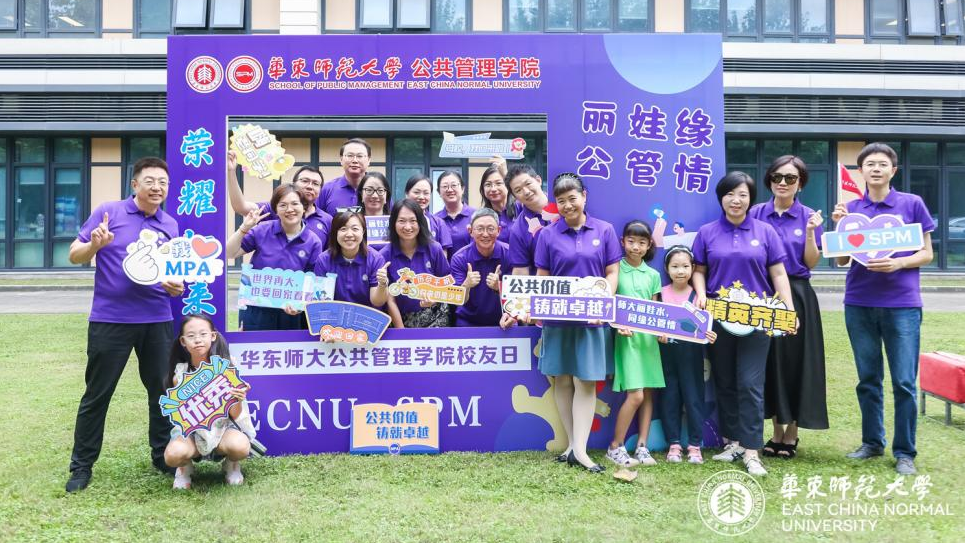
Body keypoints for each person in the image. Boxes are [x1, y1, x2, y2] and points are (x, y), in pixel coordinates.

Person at [65, 157, 185, 492]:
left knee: (161, 392)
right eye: (150, 181)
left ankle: (162, 456)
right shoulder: (109, 212)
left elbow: (171, 274)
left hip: (157, 319)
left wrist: (174, 286)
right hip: (110, 320)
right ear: (135, 184)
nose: (157, 187)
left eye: (163, 182)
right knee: (98, 394)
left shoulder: (170, 224)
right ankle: (81, 466)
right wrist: (95, 245)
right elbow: (74, 254)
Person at [832, 142, 935, 476]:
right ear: (861, 171)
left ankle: (904, 452)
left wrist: (899, 264)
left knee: (904, 381)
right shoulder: (851, 209)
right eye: (869, 164)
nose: (876, 169)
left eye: (882, 164)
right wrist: (840, 226)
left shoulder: (911, 204)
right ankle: (872, 442)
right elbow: (842, 259)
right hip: (859, 302)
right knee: (868, 378)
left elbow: (927, 253)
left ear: (894, 170)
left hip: (902, 305)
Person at [692, 171, 795, 477]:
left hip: (757, 318)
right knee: (724, 381)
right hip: (718, 316)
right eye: (729, 194)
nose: (736, 200)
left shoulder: (765, 232)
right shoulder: (708, 232)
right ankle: (733, 442)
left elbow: (778, 273)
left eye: (742, 195)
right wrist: (700, 294)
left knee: (750, 383)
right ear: (720, 198)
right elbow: (699, 270)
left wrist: (788, 309)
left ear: (751, 199)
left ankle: (752, 450)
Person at [532, 173, 621, 473]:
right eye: (561, 201)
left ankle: (580, 450)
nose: (568, 205)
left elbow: (612, 273)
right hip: (557, 319)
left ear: (584, 196)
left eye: (573, 198)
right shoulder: (547, 235)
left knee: (586, 380)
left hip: (592, 319)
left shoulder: (605, 230)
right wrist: (535, 308)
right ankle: (573, 445)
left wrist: (603, 302)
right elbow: (542, 278)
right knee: (562, 379)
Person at [749, 155, 829, 460]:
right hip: (762, 292)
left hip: (797, 293)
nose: (782, 183)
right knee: (769, 361)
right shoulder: (756, 213)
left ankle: (791, 431)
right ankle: (775, 430)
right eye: (777, 177)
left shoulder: (809, 216)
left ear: (800, 183)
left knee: (796, 362)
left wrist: (810, 232)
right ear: (769, 180)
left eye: (790, 178)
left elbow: (811, 262)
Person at [163, 314, 255, 490]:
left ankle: (231, 464)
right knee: (173, 455)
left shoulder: (227, 367)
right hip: (193, 432)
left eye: (203, 334)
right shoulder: (180, 375)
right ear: (183, 341)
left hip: (224, 429)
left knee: (240, 447)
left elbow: (235, 414)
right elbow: (182, 419)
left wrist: (237, 398)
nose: (198, 340)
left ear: (213, 336)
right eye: (191, 336)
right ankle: (184, 467)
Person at [226, 185, 325, 331]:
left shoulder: (313, 241)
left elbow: (313, 283)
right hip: (256, 310)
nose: (289, 209)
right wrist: (243, 229)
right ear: (276, 210)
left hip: (290, 314)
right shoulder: (262, 230)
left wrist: (299, 305)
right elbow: (229, 253)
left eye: (295, 204)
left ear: (304, 207)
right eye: (283, 205)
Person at [606, 220, 664, 468]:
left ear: (649, 245)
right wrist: (617, 324)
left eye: (642, 242)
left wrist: (661, 331)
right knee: (636, 395)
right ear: (623, 242)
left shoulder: (653, 275)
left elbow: (656, 309)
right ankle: (615, 446)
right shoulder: (615, 269)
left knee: (648, 392)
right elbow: (608, 304)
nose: (636, 247)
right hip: (626, 339)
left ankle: (642, 445)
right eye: (631, 241)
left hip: (648, 341)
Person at [658, 245, 717, 465]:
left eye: (685, 266)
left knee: (694, 398)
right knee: (669, 397)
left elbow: (707, 327)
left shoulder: (699, 297)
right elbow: (654, 322)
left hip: (692, 355)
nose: (680, 271)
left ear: (692, 268)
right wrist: (659, 334)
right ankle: (673, 444)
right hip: (667, 354)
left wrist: (710, 335)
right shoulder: (661, 293)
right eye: (675, 266)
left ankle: (694, 445)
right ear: (667, 269)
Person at [226, 151, 333, 243]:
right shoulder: (276, 208)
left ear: (320, 190)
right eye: (305, 181)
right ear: (293, 184)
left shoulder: (327, 220)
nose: (310, 186)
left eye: (315, 184)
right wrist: (231, 172)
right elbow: (240, 207)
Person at [379, 199, 450, 328]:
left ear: (420, 222)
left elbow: (446, 283)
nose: (408, 227)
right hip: (401, 320)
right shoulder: (384, 255)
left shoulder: (434, 249)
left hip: (436, 317)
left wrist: (434, 299)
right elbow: (390, 299)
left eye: (413, 221)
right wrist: (402, 331)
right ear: (393, 223)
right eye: (402, 221)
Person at [314, 210, 391, 309]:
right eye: (343, 229)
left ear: (363, 231)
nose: (349, 234)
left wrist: (382, 284)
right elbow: (321, 300)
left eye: (355, 229)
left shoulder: (376, 259)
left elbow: (377, 302)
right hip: (334, 315)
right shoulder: (323, 260)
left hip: (366, 316)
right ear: (335, 233)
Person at [449, 208, 509, 327]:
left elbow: (519, 299)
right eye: (480, 229)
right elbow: (457, 301)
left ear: (498, 231)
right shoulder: (459, 258)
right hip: (468, 321)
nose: (485, 234)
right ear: (470, 231)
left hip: (503, 318)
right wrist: (466, 285)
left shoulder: (510, 253)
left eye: (490, 229)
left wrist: (499, 287)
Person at [507, 164, 555, 276]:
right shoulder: (518, 230)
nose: (526, 192)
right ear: (515, 197)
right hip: (543, 284)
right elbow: (520, 271)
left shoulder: (564, 207)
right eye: (518, 190)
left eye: (528, 184)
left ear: (538, 180)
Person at [318, 138, 371, 216]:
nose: (355, 160)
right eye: (350, 155)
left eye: (360, 156)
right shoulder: (326, 189)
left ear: (369, 160)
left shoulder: (379, 190)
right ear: (341, 159)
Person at [404, 174, 453, 254]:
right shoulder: (397, 221)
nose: (421, 197)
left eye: (426, 193)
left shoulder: (438, 223)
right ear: (406, 194)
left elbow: (443, 256)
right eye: (416, 192)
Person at [435, 170, 476, 255]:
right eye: (445, 186)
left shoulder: (476, 215)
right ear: (439, 192)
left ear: (462, 189)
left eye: (454, 185)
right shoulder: (435, 220)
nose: (450, 190)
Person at [478, 160, 517, 243]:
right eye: (488, 184)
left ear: (508, 185)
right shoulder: (481, 217)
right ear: (482, 189)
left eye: (498, 183)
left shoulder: (520, 208)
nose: (493, 189)